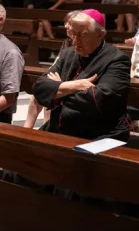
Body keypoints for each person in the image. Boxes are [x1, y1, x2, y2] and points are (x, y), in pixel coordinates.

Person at [30, 10, 130, 141]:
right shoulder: (67, 54)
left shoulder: (117, 59)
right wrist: (76, 85)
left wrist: (57, 91)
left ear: (100, 34)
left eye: (83, 35)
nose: (75, 41)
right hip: (57, 127)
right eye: (73, 34)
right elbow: (39, 88)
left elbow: (101, 100)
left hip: (95, 134)